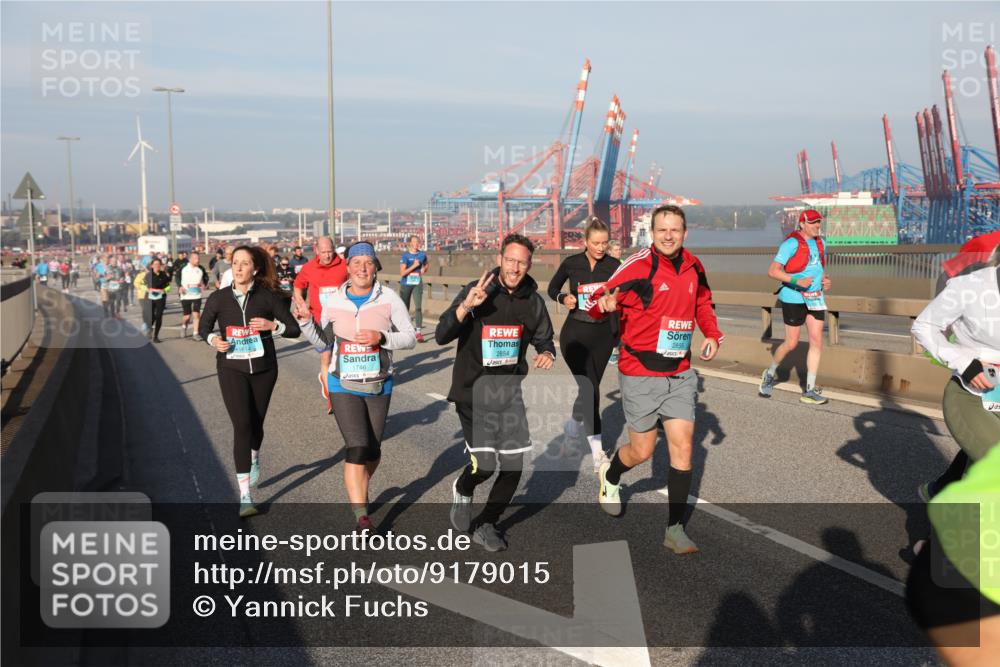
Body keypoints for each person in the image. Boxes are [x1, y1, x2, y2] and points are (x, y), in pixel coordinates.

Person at [586, 204, 723, 554]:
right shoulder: (638, 264)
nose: (668, 235)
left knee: (684, 448)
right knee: (642, 451)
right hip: (640, 372)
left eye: (675, 229)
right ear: (652, 233)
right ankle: (611, 476)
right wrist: (604, 306)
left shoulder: (694, 267)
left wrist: (711, 332)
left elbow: (703, 303)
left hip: (679, 371)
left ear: (685, 233)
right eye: (662, 229)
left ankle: (674, 530)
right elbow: (598, 299)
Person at [437, 233, 556, 552]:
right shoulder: (478, 291)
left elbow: (544, 338)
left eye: (522, 263)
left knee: (514, 465)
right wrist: (466, 306)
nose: (515, 268)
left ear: (529, 265)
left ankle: (487, 523)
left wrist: (547, 353)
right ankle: (464, 487)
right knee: (485, 465)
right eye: (510, 260)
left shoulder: (533, 301)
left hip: (508, 395)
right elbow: (442, 334)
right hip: (472, 392)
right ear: (499, 259)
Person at [292, 242, 416, 530]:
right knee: (357, 448)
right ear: (347, 267)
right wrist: (307, 323)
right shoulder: (335, 300)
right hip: (342, 383)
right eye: (356, 262)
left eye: (368, 263)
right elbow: (324, 342)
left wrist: (382, 337)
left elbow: (410, 337)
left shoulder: (390, 298)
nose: (362, 268)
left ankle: (359, 485)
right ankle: (362, 516)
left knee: (373, 451)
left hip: (378, 384)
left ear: (375, 267)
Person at [198, 246, 301, 517]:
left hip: (264, 369)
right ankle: (245, 496)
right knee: (242, 425)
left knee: (256, 424)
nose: (239, 268)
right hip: (232, 368)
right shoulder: (219, 298)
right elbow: (203, 328)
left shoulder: (268, 297)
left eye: (245, 263)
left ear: (255, 269)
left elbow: (293, 329)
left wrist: (273, 326)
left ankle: (254, 453)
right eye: (235, 263)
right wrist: (214, 340)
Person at [912, 242, 1000, 501]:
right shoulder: (970, 286)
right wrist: (964, 363)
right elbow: (924, 326)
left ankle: (942, 497)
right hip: (971, 395)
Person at [547, 216, 620, 472]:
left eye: (605, 243)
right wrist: (563, 297)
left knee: (589, 388)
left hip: (604, 336)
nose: (601, 248)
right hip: (575, 334)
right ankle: (598, 452)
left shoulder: (614, 265)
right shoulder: (572, 263)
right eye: (596, 243)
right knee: (590, 389)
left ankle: (572, 428)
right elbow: (552, 288)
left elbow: (627, 295)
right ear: (585, 241)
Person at [758, 208, 832, 405]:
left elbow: (818, 268)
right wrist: (796, 281)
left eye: (819, 222)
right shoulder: (791, 244)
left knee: (817, 341)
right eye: (813, 222)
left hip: (815, 298)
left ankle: (809, 390)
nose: (817, 225)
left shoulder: (822, 243)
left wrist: (825, 280)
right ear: (802, 224)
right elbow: (773, 271)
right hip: (793, 297)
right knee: (791, 343)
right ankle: (769, 373)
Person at [293, 237, 349, 409]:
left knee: (341, 357)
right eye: (323, 252)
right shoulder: (309, 268)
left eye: (330, 251)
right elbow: (298, 286)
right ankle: (332, 397)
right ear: (316, 250)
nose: (327, 255)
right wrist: (300, 303)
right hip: (318, 319)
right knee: (326, 356)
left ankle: (335, 384)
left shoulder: (344, 265)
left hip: (341, 318)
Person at [399, 235, 429, 342]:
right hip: (406, 284)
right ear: (410, 243)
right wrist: (414, 266)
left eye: (418, 241)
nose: (416, 244)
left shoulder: (422, 254)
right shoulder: (405, 256)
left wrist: (424, 269)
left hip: (417, 283)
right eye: (414, 242)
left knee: (418, 307)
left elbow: (426, 264)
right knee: (404, 308)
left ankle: (418, 332)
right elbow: (402, 273)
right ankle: (405, 330)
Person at [178, 251, 209, 340]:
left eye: (198, 258)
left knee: (196, 315)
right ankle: (184, 326)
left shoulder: (200, 269)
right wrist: (180, 286)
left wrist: (204, 284)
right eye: (195, 258)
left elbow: (205, 277)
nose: (197, 260)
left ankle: (195, 333)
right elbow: (177, 277)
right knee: (187, 316)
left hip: (197, 295)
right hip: (185, 295)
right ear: (190, 259)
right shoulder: (184, 268)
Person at [146, 258, 172, 343]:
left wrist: (164, 290)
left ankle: (156, 336)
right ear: (152, 266)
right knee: (151, 317)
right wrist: (148, 289)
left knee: (159, 316)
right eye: (155, 264)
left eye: (158, 264)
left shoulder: (164, 275)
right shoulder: (148, 275)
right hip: (150, 298)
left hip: (161, 297)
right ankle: (149, 330)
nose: (157, 266)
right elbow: (142, 285)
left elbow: (169, 287)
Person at [134, 263, 151, 335]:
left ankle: (149, 325)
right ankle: (145, 324)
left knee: (150, 311)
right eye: (148, 269)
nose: (148, 271)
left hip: (151, 296)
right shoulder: (141, 275)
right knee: (145, 310)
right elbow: (136, 283)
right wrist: (145, 288)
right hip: (142, 296)